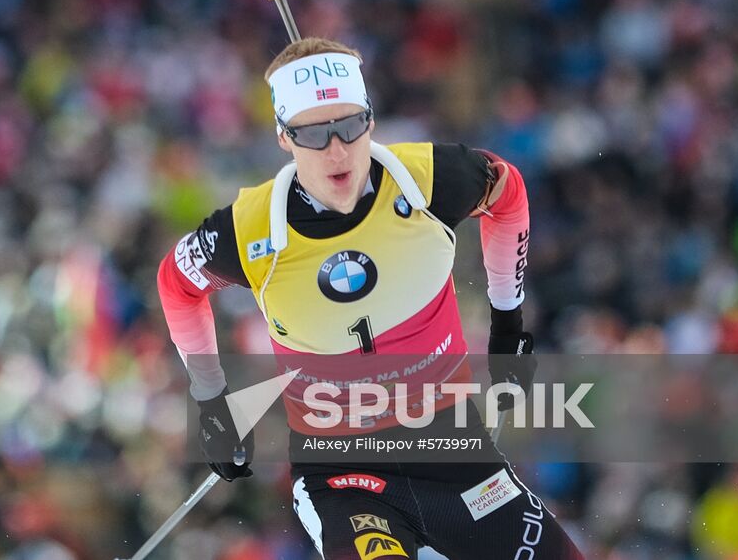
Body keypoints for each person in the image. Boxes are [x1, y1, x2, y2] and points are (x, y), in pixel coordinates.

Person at [156, 37, 586, 559]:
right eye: (314, 134)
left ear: (371, 121)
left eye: (351, 126)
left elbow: (507, 195)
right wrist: (211, 403)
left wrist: (507, 323)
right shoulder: (250, 231)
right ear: (284, 137)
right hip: (343, 474)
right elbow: (176, 284)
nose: (337, 151)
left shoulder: (428, 179)